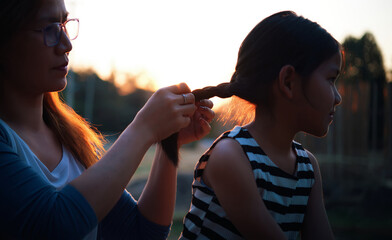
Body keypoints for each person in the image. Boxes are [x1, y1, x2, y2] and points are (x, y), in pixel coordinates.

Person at [0, 0, 215, 239]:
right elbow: (55, 225)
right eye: (49, 28)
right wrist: (143, 129)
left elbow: (141, 233)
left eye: (64, 24)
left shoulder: (71, 139)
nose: (66, 44)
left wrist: (168, 142)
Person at [180, 11, 342, 240]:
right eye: (331, 79)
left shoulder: (307, 167)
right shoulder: (232, 157)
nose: (338, 97)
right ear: (288, 82)